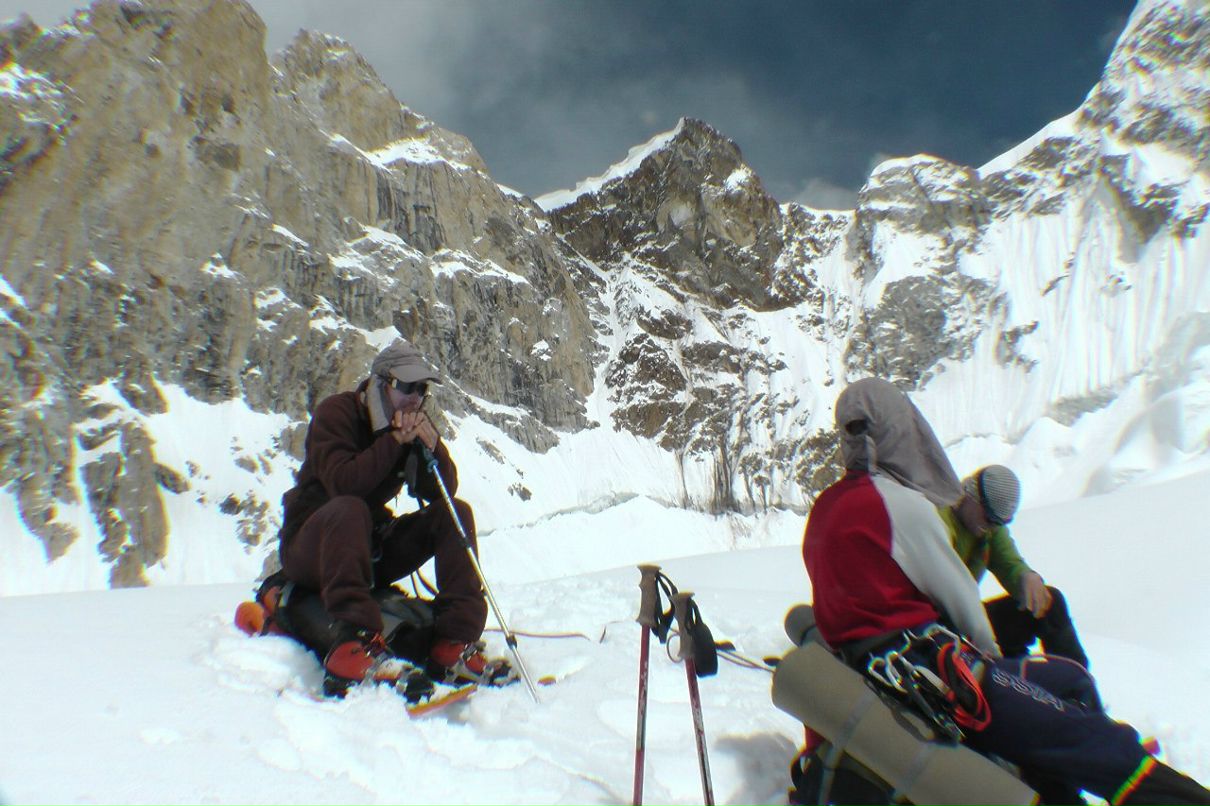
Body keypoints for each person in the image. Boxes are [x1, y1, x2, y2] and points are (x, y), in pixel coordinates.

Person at [801, 377, 1210, 805]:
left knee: (1066, 691)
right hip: (934, 671)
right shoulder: (900, 506)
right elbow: (961, 601)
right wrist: (996, 669)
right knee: (1089, 729)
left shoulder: (825, 507)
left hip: (878, 669)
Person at [277, 338, 498, 695]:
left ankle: (453, 641)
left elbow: (442, 491)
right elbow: (344, 483)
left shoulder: (405, 427)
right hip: (313, 547)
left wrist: (432, 448)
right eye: (407, 387)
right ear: (381, 384)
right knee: (350, 509)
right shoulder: (338, 414)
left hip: (368, 548)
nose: (415, 398)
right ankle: (354, 643)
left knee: (455, 513)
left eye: (421, 389)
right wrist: (394, 441)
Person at [941, 464, 1090, 669]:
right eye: (989, 519)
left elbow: (1009, 563)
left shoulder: (989, 529)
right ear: (972, 495)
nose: (991, 527)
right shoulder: (941, 523)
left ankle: (1075, 682)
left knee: (1050, 602)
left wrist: (1026, 578)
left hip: (970, 618)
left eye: (998, 523)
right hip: (942, 625)